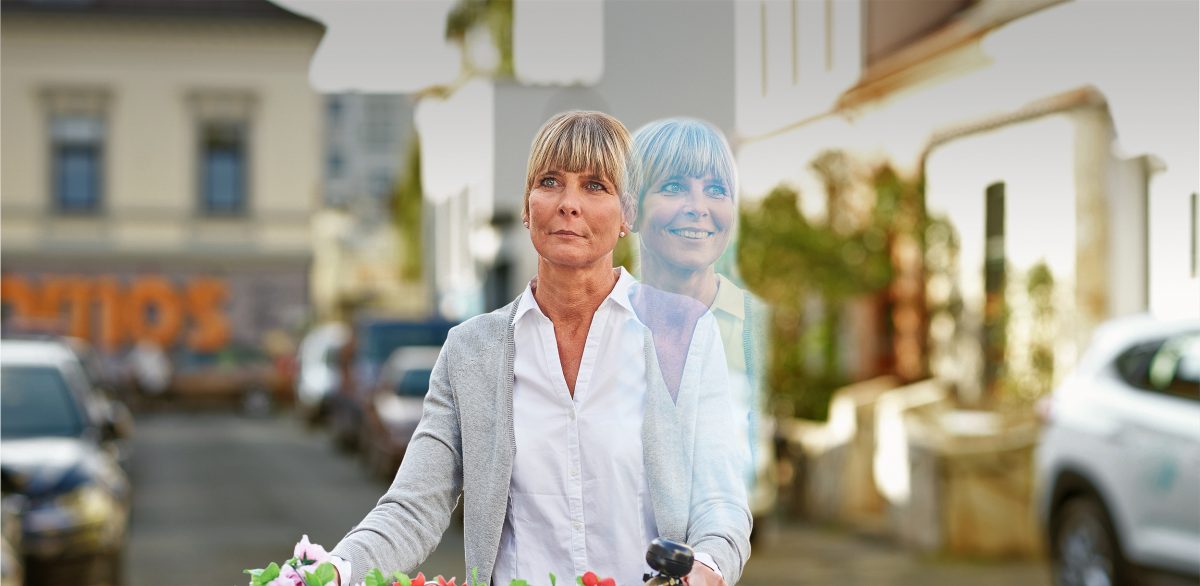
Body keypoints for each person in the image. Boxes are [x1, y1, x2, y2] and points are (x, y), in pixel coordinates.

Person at [328, 111, 750, 586]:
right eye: (550, 182)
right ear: (527, 208)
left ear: (628, 214)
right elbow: (412, 508)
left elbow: (721, 502)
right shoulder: (470, 352)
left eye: (595, 186)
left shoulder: (685, 332)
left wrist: (707, 567)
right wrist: (331, 571)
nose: (569, 204)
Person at [626, 118, 774, 525]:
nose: (699, 207)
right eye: (673, 186)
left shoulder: (751, 323)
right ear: (631, 208)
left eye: (716, 190)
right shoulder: (603, 323)